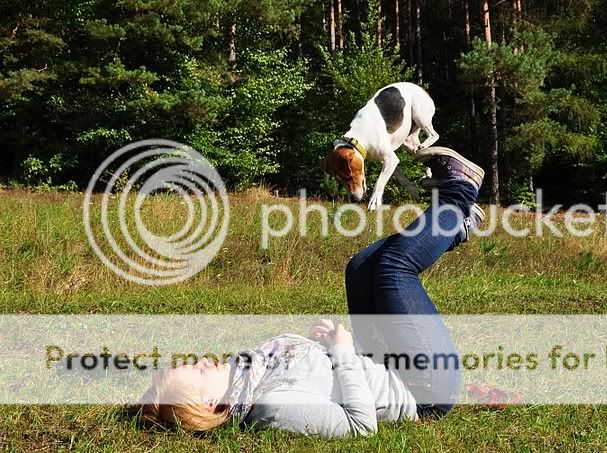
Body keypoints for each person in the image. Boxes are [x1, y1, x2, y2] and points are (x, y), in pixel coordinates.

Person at [140, 147, 484, 437]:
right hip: (424, 388)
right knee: (393, 269)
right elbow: (361, 425)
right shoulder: (272, 407)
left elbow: (319, 376)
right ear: (209, 404)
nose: (202, 361)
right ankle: (460, 193)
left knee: (360, 268)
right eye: (199, 371)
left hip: (384, 358)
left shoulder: (249, 370)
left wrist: (324, 345)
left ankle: (455, 226)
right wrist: (341, 351)